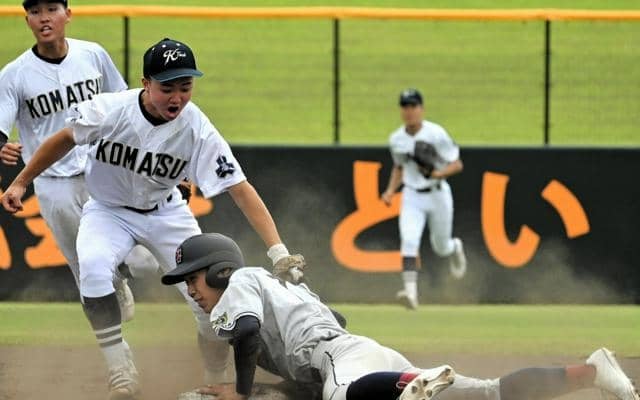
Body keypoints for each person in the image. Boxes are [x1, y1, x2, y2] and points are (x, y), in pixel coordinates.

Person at [1, 37, 304, 400]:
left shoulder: (197, 127)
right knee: (93, 269)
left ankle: (214, 379)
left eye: (185, 87)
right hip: (108, 211)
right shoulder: (112, 109)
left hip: (166, 214)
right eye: (167, 87)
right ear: (145, 83)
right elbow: (63, 138)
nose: (177, 97)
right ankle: (120, 368)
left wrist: (278, 250)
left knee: (210, 302)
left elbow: (240, 189)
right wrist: (21, 182)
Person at [162, 232, 640, 400]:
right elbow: (333, 325)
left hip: (344, 361)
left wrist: (241, 392)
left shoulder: (240, 284)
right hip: (363, 356)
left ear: (220, 271)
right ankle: (591, 371)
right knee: (490, 393)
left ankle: (410, 384)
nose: (190, 290)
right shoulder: (279, 290)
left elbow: (246, 333)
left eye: (194, 278)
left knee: (343, 396)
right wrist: (267, 390)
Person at [0, 0, 162, 320]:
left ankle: (118, 274)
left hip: (104, 169)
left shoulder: (93, 54)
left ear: (68, 14)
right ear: (27, 20)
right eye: (35, 12)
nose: (44, 18)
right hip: (54, 184)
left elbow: (125, 104)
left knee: (146, 262)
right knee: (85, 270)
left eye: (52, 9)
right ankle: (115, 349)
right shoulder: (14, 75)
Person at [381, 88, 467, 310]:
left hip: (438, 193)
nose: (409, 111)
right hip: (412, 195)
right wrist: (390, 190)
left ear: (421, 109)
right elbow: (399, 167)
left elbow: (457, 164)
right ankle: (411, 294)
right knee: (409, 240)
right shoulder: (397, 139)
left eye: (413, 106)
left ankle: (455, 247)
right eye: (405, 106)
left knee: (441, 246)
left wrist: (437, 174)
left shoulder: (436, 134)